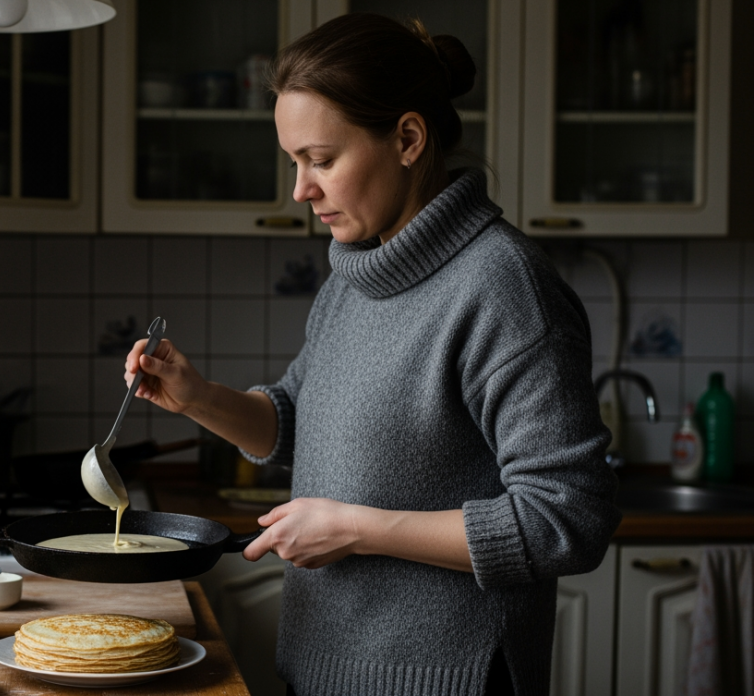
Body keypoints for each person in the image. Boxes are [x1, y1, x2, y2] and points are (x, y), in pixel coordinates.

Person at [123, 13, 619, 696]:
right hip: (323, 665)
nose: (301, 190)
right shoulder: (355, 276)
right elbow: (296, 422)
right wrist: (198, 397)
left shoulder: (504, 289)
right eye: (294, 162)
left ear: (408, 138)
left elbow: (569, 517)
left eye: (321, 160)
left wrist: (359, 530)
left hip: (445, 680)